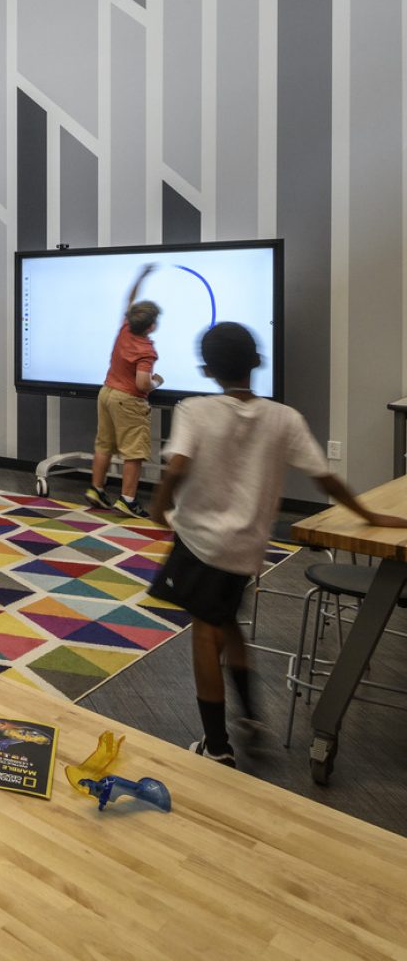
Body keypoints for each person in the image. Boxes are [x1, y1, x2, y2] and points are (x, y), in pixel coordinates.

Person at [148, 323, 407, 768]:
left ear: (207, 369)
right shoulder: (284, 418)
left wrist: (158, 504)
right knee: (227, 623)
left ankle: (217, 745)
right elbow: (324, 477)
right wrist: (368, 515)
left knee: (205, 636)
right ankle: (250, 719)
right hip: (247, 548)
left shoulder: (194, 409)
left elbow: (178, 465)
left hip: (200, 544)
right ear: (257, 362)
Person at [87, 263, 163, 518]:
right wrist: (157, 382)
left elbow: (129, 299)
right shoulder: (146, 350)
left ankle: (96, 489)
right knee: (134, 451)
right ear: (151, 326)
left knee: (104, 444)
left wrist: (140, 277)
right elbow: (143, 383)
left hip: (107, 393)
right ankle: (127, 499)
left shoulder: (124, 328)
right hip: (128, 400)